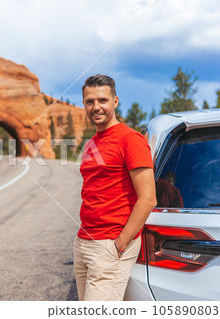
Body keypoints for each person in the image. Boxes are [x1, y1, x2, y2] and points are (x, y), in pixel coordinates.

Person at [73, 74, 157, 301]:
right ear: (84, 104)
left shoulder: (131, 140)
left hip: (110, 244)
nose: (96, 107)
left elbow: (148, 198)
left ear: (115, 102)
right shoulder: (91, 143)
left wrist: (119, 246)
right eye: (90, 101)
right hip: (84, 242)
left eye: (102, 100)